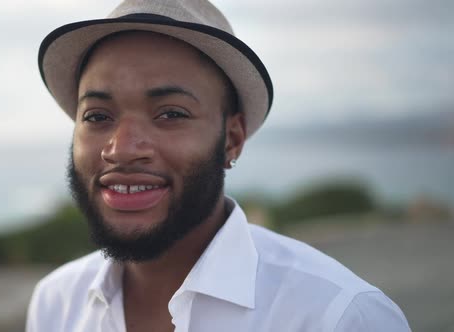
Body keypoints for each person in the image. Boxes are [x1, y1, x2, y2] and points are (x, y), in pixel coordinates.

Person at [26, 0, 411, 331]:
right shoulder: (56, 304)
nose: (122, 149)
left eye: (170, 113)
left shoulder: (337, 316)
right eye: (96, 116)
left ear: (232, 138)